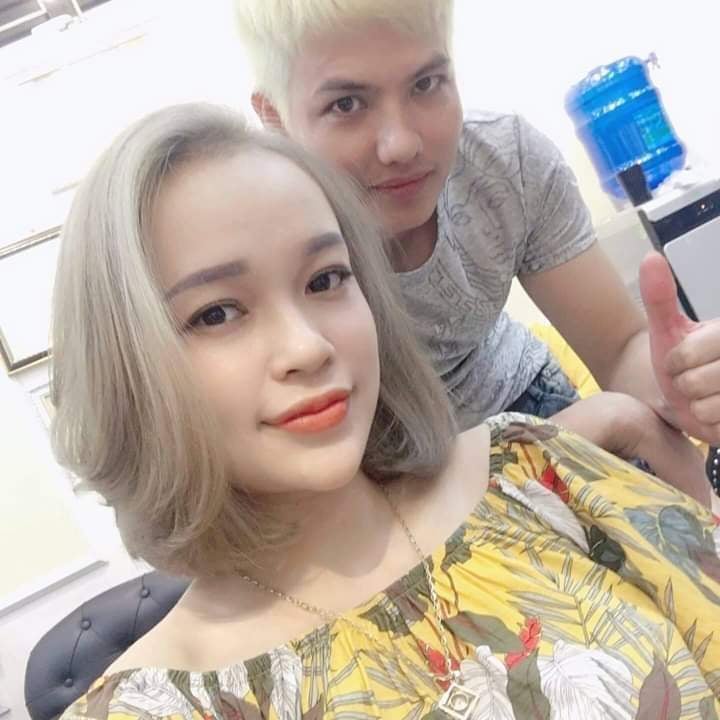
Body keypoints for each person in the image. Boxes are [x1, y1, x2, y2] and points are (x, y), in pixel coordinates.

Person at [52, 103, 719, 719]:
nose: (307, 347)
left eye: (325, 279)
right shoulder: (153, 707)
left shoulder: (539, 474)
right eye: (217, 314)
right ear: (126, 371)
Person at [233, 0, 720, 455]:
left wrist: (680, 383)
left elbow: (618, 348)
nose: (401, 145)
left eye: (425, 84)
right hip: (389, 470)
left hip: (534, 404)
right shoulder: (255, 250)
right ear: (276, 120)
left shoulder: (505, 164)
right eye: (347, 105)